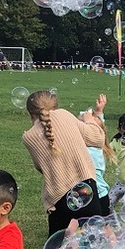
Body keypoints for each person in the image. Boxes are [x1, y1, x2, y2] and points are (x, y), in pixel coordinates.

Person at [23, 90, 105, 235]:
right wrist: (90, 120)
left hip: (58, 197)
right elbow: (98, 138)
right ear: (56, 105)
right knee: (92, 239)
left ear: (30, 114)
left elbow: (39, 166)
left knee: (58, 246)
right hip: (86, 189)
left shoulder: (28, 137)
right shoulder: (65, 115)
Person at [79, 95, 115, 216]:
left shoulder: (89, 148)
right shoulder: (97, 145)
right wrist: (99, 112)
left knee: (97, 228)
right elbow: (99, 130)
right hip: (98, 194)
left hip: (95, 195)